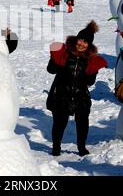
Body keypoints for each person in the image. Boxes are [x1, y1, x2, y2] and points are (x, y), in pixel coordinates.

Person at [46, 20, 107, 156]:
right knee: (59, 123)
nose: (82, 44)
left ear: (89, 45)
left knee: (82, 124)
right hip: (62, 94)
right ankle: (56, 147)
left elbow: (90, 82)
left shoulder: (90, 60)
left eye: (85, 42)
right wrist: (54, 59)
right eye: (80, 40)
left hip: (81, 96)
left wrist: (93, 70)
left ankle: (81, 147)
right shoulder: (64, 54)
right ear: (76, 40)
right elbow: (51, 70)